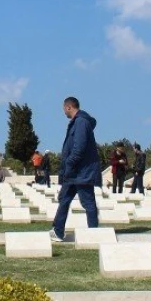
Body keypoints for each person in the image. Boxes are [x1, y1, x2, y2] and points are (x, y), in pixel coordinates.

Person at [50, 96, 101, 243]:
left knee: (88, 202)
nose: (64, 112)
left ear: (68, 107)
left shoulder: (80, 122)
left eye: (64, 109)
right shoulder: (78, 122)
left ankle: (94, 233)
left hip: (81, 172)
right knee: (64, 199)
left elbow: (79, 147)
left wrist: (69, 163)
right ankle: (57, 231)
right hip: (74, 172)